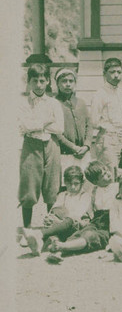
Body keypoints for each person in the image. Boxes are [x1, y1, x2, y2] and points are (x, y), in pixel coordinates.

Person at [18, 63, 64, 228]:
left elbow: (60, 128)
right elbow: (24, 126)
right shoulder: (23, 103)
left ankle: (50, 228)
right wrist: (45, 121)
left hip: (51, 144)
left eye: (42, 81)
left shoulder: (53, 103)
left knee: (52, 188)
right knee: (29, 188)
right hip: (31, 145)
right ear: (29, 82)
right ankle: (27, 228)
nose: (38, 85)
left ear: (47, 82)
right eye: (35, 80)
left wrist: (36, 124)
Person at [47, 161, 118, 261]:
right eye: (103, 175)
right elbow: (91, 210)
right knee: (79, 233)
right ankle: (59, 251)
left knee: (91, 237)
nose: (108, 174)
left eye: (106, 170)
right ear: (96, 182)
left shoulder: (117, 187)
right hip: (96, 221)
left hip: (109, 223)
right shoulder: (94, 191)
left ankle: (62, 247)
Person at [21, 166, 90, 255]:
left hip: (76, 226)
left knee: (67, 219)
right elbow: (54, 210)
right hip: (61, 226)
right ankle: (43, 247)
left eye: (76, 183)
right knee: (54, 218)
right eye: (69, 183)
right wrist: (49, 218)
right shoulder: (63, 195)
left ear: (82, 183)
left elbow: (76, 215)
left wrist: (58, 221)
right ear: (65, 182)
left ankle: (38, 234)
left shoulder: (84, 196)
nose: (72, 187)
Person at [90, 58, 122, 176]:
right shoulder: (100, 94)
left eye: (119, 72)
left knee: (121, 173)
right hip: (107, 139)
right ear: (104, 73)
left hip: (121, 138)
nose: (116, 75)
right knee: (109, 173)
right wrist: (109, 128)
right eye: (112, 72)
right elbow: (94, 121)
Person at [55, 68, 92, 179]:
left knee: (85, 182)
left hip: (83, 153)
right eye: (64, 81)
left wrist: (86, 145)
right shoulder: (54, 104)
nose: (68, 84)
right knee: (67, 183)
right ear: (57, 83)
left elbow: (89, 125)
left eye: (71, 81)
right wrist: (73, 147)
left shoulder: (81, 103)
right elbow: (55, 132)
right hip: (64, 154)